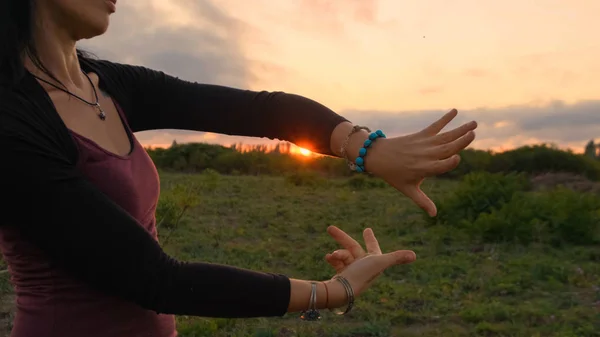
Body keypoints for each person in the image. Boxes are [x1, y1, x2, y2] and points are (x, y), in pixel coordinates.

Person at [0, 1, 478, 337]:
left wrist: (367, 149)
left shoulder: (109, 86)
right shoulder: (11, 122)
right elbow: (155, 279)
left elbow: (261, 111)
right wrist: (335, 292)